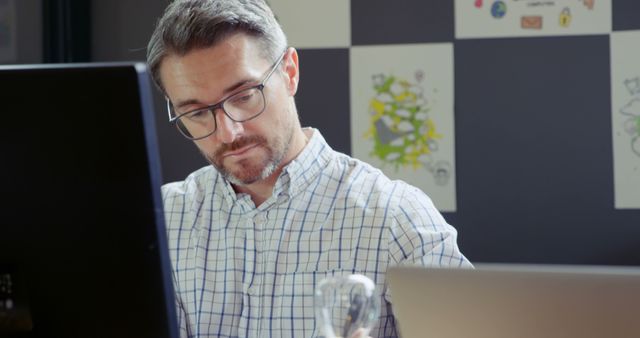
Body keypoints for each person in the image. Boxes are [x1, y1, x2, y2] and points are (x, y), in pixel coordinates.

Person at [147, 0, 472, 337]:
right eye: (197, 112)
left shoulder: (394, 218)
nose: (230, 132)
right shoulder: (163, 218)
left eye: (244, 95)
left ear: (289, 72)